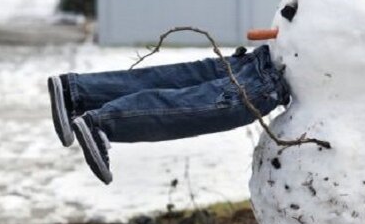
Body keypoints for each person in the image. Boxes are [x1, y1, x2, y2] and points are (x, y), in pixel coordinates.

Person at [48, 37, 289, 184]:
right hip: (288, 72)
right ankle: (102, 123)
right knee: (218, 106)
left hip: (286, 49)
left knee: (190, 79)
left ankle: (76, 92)